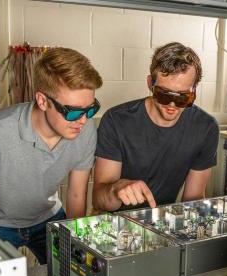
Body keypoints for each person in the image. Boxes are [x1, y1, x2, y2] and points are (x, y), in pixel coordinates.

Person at [0, 47, 102, 264]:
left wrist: (76, 254)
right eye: (74, 112)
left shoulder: (86, 129)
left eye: (91, 109)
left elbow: (76, 195)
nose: (83, 121)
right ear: (43, 100)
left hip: (47, 217)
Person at [92, 42, 219, 212]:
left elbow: (192, 199)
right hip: (114, 221)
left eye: (183, 97)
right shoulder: (117, 120)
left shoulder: (205, 127)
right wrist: (116, 190)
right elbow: (99, 201)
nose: (172, 104)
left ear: (194, 90)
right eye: (164, 95)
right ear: (150, 83)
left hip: (163, 220)